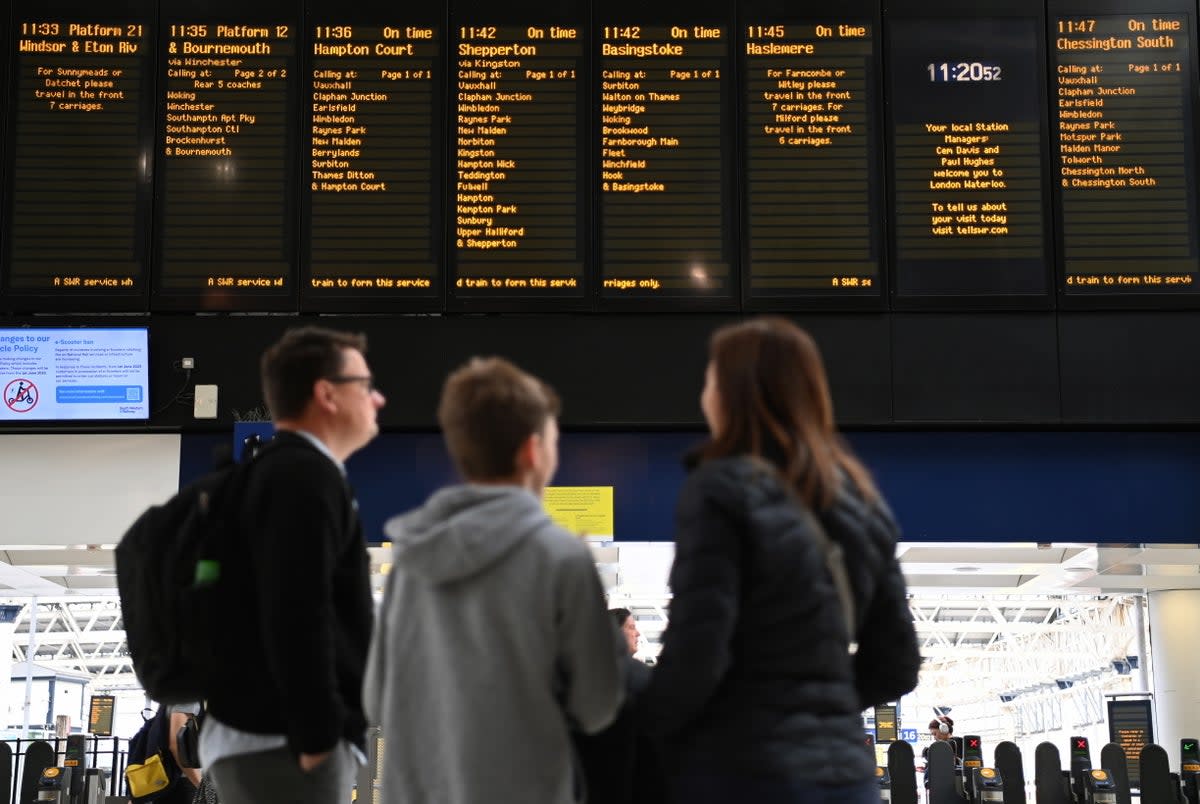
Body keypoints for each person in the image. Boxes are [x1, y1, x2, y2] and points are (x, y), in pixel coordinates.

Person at [642, 317, 921, 804]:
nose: (704, 391)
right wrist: (820, 710)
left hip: (741, 773)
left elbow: (698, 650)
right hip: (847, 781)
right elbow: (897, 666)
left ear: (733, 392)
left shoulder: (721, 489)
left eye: (710, 378)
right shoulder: (863, 501)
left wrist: (643, 735)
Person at [364, 356, 624, 804]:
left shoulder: (410, 560)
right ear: (532, 452)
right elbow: (597, 706)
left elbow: (376, 698)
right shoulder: (561, 558)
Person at [201, 326, 385, 804]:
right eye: (364, 386)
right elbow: (297, 611)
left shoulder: (280, 472)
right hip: (282, 744)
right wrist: (320, 736)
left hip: (269, 737)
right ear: (327, 394)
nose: (378, 399)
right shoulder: (304, 477)